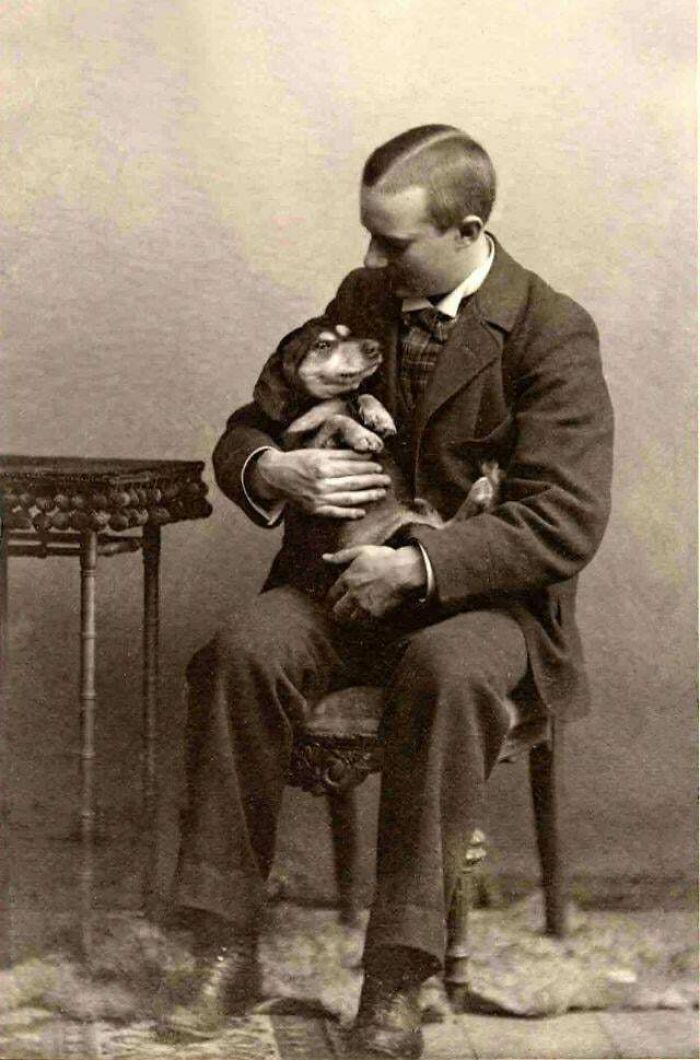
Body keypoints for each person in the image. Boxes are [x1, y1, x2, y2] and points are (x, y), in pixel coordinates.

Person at [163, 125, 614, 1055]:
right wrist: (273, 472)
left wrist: (419, 567)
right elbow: (252, 424)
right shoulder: (369, 296)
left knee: (448, 671)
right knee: (244, 650)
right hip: (338, 587)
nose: (369, 259)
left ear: (467, 228)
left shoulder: (549, 329)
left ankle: (398, 976)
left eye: (392, 241)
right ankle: (224, 947)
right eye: (367, 236)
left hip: (485, 610)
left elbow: (564, 519)